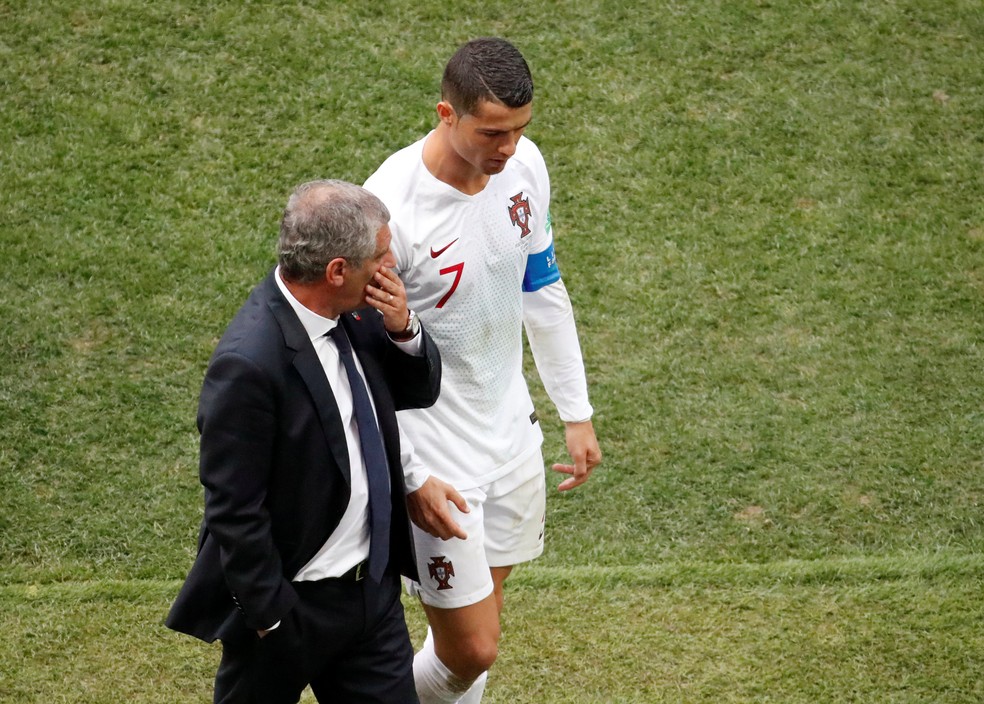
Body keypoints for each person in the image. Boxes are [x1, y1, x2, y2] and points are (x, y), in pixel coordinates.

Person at [363, 37, 603, 703]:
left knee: (473, 639)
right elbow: (363, 362)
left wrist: (575, 413)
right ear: (446, 113)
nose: (509, 149)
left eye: (521, 131)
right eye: (493, 132)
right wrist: (410, 472)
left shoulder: (525, 168)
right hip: (439, 453)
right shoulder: (388, 211)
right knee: (473, 646)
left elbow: (542, 288)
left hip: (512, 438)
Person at [166, 179, 464, 704]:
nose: (391, 261)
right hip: (289, 613)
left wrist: (404, 328)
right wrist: (271, 618)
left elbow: (415, 392)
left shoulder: (361, 308)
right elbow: (234, 509)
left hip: (370, 602)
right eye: (381, 252)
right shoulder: (249, 363)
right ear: (336, 271)